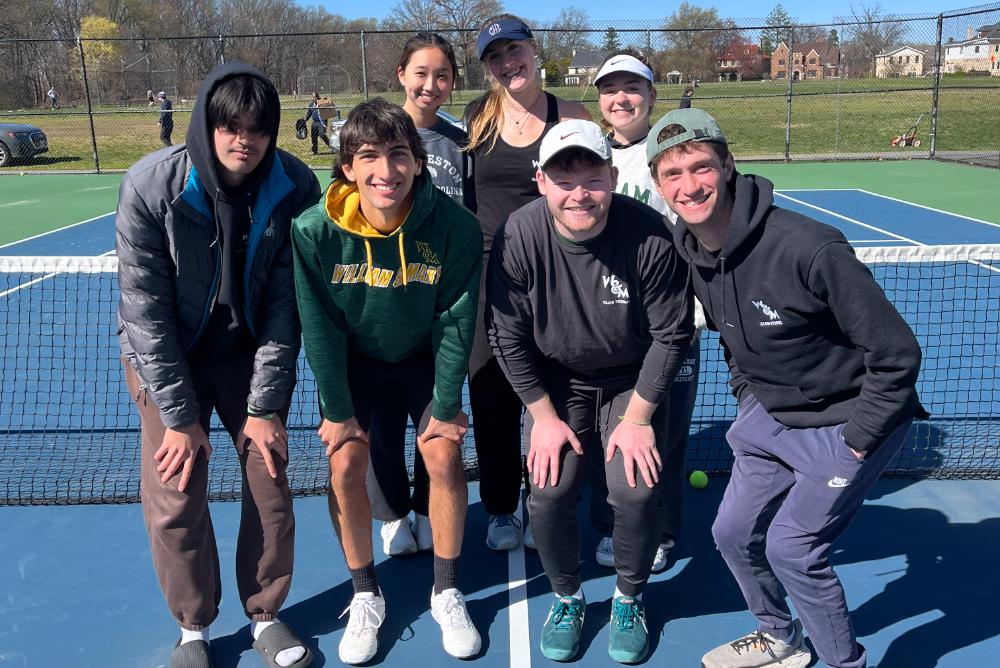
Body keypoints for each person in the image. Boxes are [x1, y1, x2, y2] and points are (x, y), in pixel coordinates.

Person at [646, 107, 927, 668]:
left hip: (848, 418)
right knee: (730, 532)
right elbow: (731, 336)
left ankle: (846, 662)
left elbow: (897, 354)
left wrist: (858, 438)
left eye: (700, 166)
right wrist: (749, 400)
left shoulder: (809, 247)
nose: (689, 185)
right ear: (658, 183)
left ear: (727, 165)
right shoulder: (690, 249)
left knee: (793, 550)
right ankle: (779, 637)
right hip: (772, 415)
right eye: (672, 174)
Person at [116, 62, 321, 668]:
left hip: (249, 354)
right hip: (167, 358)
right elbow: (146, 314)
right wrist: (180, 419)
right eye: (228, 126)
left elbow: (288, 307)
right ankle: (193, 629)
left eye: (256, 129)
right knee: (177, 491)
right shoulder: (150, 186)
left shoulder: (295, 187)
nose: (243, 141)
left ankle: (267, 616)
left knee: (270, 479)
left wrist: (264, 408)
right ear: (205, 125)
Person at [487, 120, 694, 663]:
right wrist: (544, 417)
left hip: (632, 383)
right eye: (564, 177)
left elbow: (673, 335)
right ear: (541, 181)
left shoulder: (649, 234)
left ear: (611, 175)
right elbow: (505, 335)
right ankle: (568, 597)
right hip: (557, 386)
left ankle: (629, 597)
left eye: (592, 177)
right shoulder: (518, 236)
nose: (579, 193)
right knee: (550, 490)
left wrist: (640, 418)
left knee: (636, 490)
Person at [291, 99, 483, 665]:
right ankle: (365, 595)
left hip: (425, 359)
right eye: (368, 156)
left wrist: (447, 406)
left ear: (418, 162)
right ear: (347, 167)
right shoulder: (313, 232)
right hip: (357, 366)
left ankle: (447, 590)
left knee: (445, 456)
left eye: (399, 154)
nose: (385, 171)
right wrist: (337, 409)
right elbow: (319, 327)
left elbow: (456, 321)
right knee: (345, 464)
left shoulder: (455, 227)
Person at [465, 14, 591, 552]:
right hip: (489, 280)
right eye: (494, 56)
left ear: (534, 50)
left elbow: (591, 189)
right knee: (492, 395)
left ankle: (548, 498)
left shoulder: (572, 115)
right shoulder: (476, 118)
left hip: (556, 273)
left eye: (513, 49)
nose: (506, 62)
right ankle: (499, 506)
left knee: (556, 394)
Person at [365, 32, 476, 559]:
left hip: (443, 305)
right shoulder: (377, 133)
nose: (430, 85)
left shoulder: (462, 142)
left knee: (436, 422)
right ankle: (391, 513)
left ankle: (433, 505)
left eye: (442, 75)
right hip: (388, 305)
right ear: (401, 76)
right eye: (420, 73)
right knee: (382, 424)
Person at [592, 52, 702, 575]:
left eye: (631, 87)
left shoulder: (671, 153)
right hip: (610, 327)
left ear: (652, 95)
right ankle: (615, 523)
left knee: (666, 436)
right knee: (611, 435)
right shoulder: (590, 155)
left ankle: (661, 530)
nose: (621, 98)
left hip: (671, 324)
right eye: (610, 89)